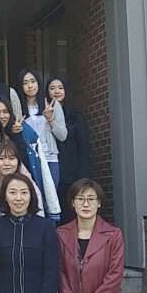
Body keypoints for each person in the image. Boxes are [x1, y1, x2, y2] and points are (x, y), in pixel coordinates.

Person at [48, 75, 92, 224]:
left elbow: (84, 148)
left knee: (71, 216)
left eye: (60, 88)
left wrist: (83, 178)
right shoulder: (44, 117)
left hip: (72, 175)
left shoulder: (76, 116)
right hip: (53, 174)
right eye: (52, 88)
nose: (56, 91)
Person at [18, 67, 67, 196]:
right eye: (25, 83)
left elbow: (63, 136)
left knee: (51, 198)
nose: (30, 86)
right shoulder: (17, 108)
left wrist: (50, 120)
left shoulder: (52, 105)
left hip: (50, 159)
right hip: (29, 159)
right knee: (32, 197)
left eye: (33, 81)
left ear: (38, 83)